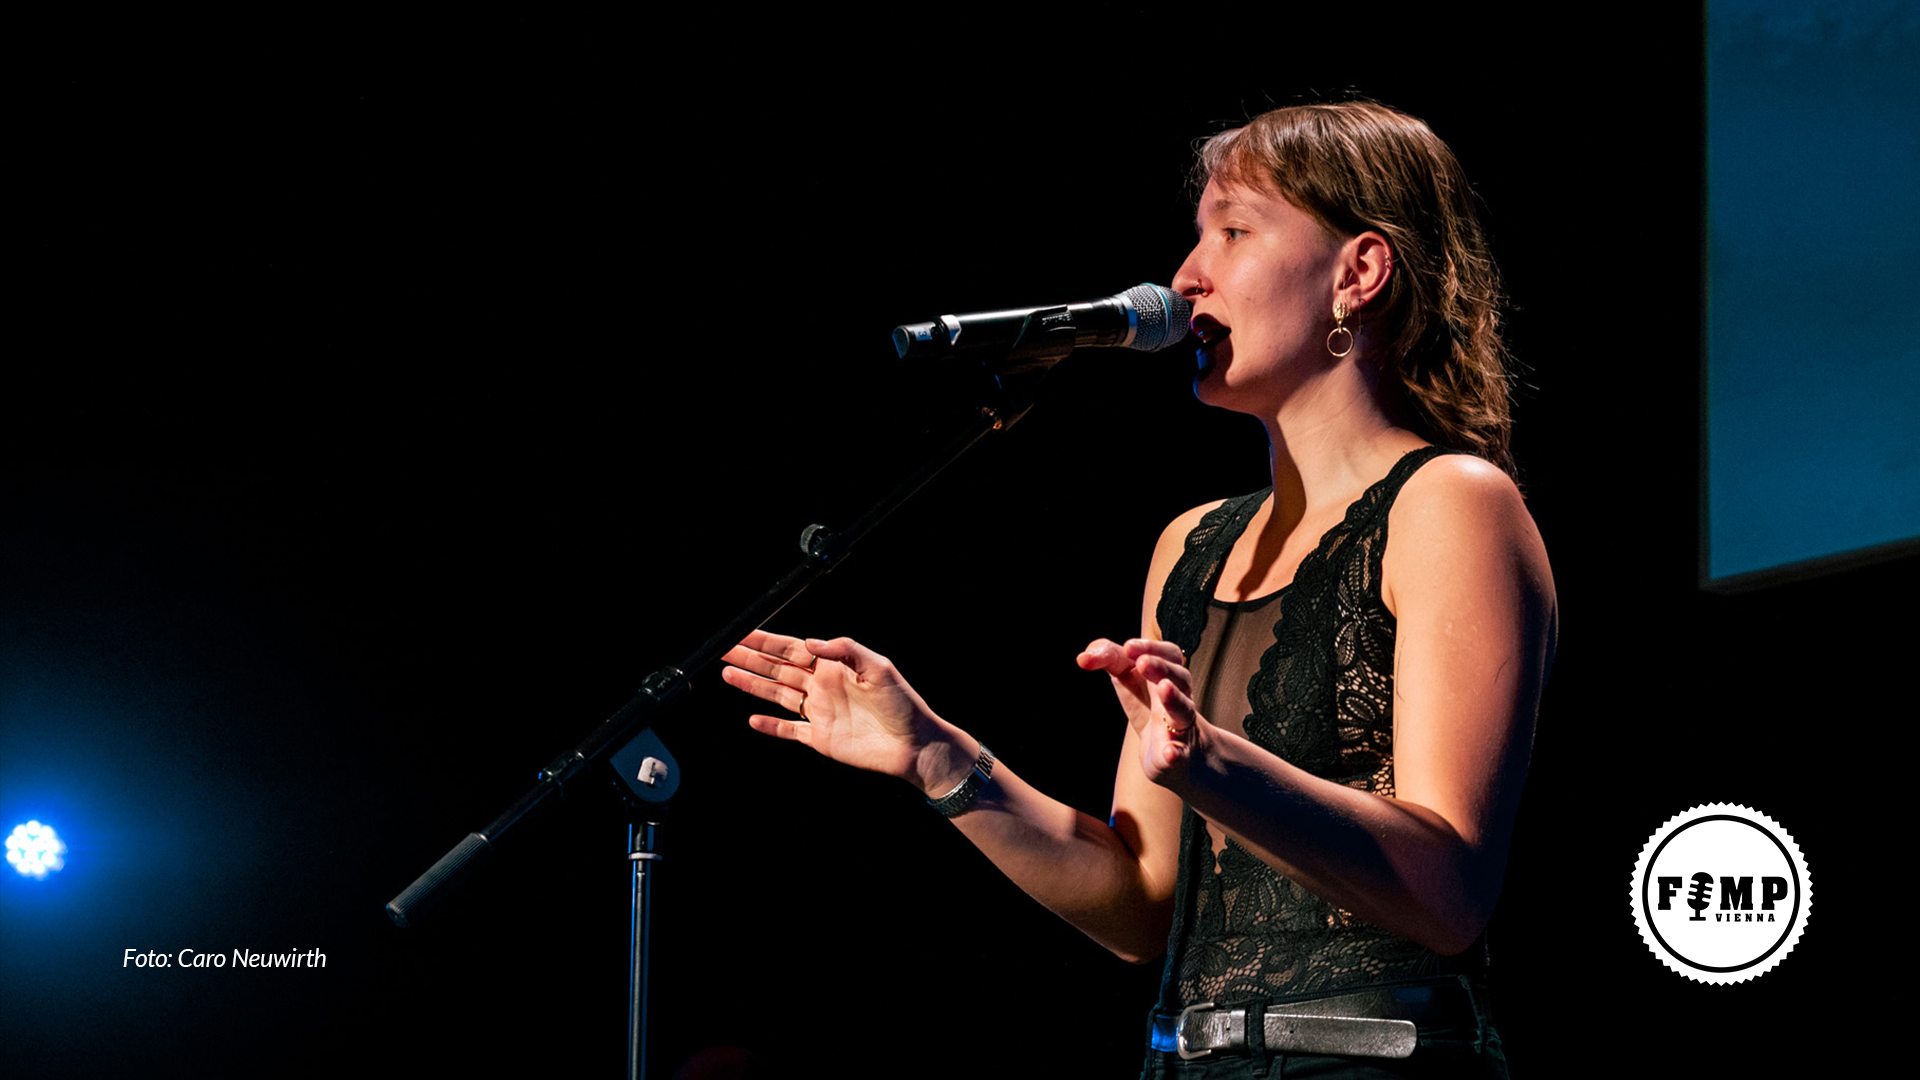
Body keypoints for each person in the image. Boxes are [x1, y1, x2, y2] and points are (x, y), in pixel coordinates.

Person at [722, 99, 1555, 1079]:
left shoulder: (1452, 505)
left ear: (1358, 272)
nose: (1185, 277)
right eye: (1197, 236)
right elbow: (1139, 907)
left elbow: (1449, 891)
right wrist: (940, 759)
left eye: (1235, 232)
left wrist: (1210, 763)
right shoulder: (1191, 547)